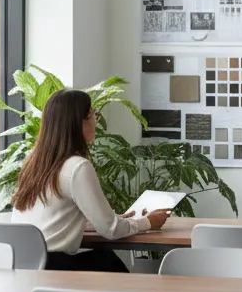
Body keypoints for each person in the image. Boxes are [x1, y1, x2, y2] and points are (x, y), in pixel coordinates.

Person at [11, 88, 171, 272]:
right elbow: (110, 230)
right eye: (94, 115)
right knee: (106, 261)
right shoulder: (77, 166)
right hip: (53, 268)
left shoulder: (33, 162)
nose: (96, 121)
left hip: (22, 266)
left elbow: (54, 219)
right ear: (80, 122)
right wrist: (148, 222)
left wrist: (101, 219)